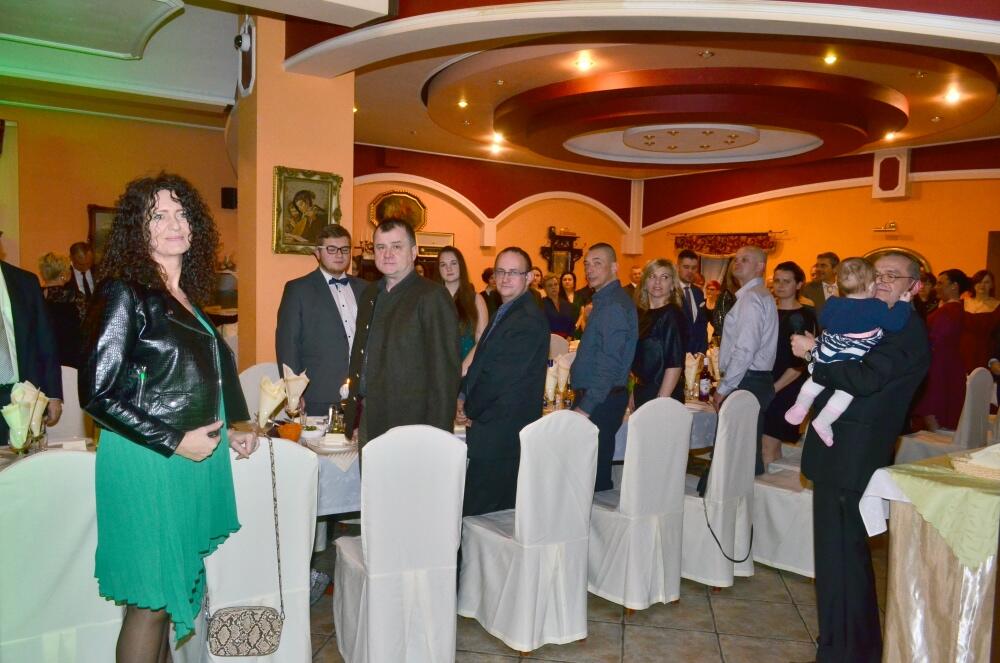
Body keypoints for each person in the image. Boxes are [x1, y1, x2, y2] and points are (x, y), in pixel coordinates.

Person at [79, 173, 258, 661]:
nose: (174, 224)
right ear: (137, 229)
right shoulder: (124, 291)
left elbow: (201, 371)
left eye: (182, 214)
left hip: (183, 461)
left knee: (164, 596)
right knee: (151, 604)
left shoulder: (184, 294)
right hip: (149, 460)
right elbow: (96, 394)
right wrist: (175, 441)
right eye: (158, 215)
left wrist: (233, 425)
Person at [791, 250, 929, 663]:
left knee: (842, 562)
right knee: (839, 561)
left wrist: (814, 355)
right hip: (842, 453)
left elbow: (865, 379)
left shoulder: (906, 330)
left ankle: (846, 653)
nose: (883, 280)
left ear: (914, 286)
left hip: (852, 454)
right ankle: (849, 647)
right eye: (878, 273)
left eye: (893, 275)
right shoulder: (876, 319)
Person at [344, 218, 460, 448]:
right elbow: (361, 356)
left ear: (413, 252)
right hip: (369, 417)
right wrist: (355, 416)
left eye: (397, 246)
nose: (387, 254)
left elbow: (444, 375)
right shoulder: (369, 294)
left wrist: (437, 437)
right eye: (381, 247)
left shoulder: (432, 296)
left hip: (413, 424)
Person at [457, 247, 549, 516]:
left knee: (481, 515)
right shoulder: (506, 310)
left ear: (528, 277)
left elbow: (498, 378)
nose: (505, 278)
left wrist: (469, 408)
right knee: (491, 514)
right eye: (500, 271)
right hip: (494, 427)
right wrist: (462, 394)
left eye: (514, 272)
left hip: (503, 431)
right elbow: (482, 360)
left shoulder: (527, 319)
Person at [785, 258, 911, 446]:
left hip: (829, 348)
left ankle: (800, 406)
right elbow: (895, 323)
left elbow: (824, 321)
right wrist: (903, 304)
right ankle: (823, 421)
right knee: (844, 392)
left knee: (815, 379)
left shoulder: (833, 302)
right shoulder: (875, 306)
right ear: (871, 286)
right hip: (850, 355)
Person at [277, 224, 366, 416]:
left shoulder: (366, 289)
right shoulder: (298, 290)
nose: (339, 255)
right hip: (318, 394)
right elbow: (288, 344)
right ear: (317, 253)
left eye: (344, 249)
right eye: (331, 249)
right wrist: (293, 391)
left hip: (363, 395)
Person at [570, 243, 638, 492]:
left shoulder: (613, 306)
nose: (590, 269)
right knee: (588, 473)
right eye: (587, 264)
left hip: (600, 400)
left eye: (597, 263)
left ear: (614, 267)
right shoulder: (604, 301)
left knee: (592, 479)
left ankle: (597, 516)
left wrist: (585, 407)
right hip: (601, 397)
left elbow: (609, 363)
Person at [712, 245, 778, 476]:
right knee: (746, 450)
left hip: (746, 380)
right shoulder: (759, 295)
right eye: (736, 259)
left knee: (734, 452)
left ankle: (731, 496)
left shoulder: (751, 298)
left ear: (760, 266)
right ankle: (742, 495)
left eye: (745, 259)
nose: (737, 263)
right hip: (754, 379)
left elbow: (745, 349)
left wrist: (724, 387)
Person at [0, 250, 63, 444]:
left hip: (23, 396)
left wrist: (54, 394)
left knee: (26, 461)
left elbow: (45, 340)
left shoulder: (25, 282)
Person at [761, 262, 816, 467]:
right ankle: (766, 481)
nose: (780, 285)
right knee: (765, 444)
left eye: (787, 281)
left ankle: (763, 484)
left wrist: (774, 388)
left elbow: (801, 363)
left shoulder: (804, 316)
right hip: (765, 380)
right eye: (777, 280)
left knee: (768, 444)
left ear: (799, 284)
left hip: (787, 384)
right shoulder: (767, 311)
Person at [912, 269, 972, 430]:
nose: (936, 287)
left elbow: (936, 340)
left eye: (940, 283)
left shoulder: (949, 311)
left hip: (939, 364)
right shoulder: (954, 309)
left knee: (933, 407)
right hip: (948, 362)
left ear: (954, 286)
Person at [630, 259, 688, 408]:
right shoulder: (642, 314)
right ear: (645, 282)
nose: (657, 282)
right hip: (642, 391)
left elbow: (674, 364)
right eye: (652, 276)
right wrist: (633, 393)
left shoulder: (672, 315)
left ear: (672, 284)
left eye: (664, 277)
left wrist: (660, 404)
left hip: (663, 395)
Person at [437, 246, 488, 373]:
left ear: (461, 266)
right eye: (443, 265)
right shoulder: (431, 300)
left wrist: (462, 369)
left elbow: (482, 341)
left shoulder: (476, 299)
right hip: (437, 371)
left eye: (453, 263)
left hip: (466, 370)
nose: (449, 268)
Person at [39, 252, 85, 369]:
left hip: (43, 353)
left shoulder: (35, 294)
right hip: (70, 354)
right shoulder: (75, 297)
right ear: (63, 274)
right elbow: (86, 324)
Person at [959, 269, 1000, 375]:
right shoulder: (961, 303)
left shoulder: (998, 306)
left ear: (992, 285)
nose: (982, 285)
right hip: (961, 351)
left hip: (986, 352)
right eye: (979, 281)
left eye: (986, 282)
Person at [676, 249, 708, 353]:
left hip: (697, 354)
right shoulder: (670, 291)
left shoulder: (698, 292)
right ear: (677, 267)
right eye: (686, 267)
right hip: (676, 353)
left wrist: (702, 352)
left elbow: (702, 324)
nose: (690, 271)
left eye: (694, 268)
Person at [800, 251, 840, 319]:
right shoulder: (807, 289)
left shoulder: (846, 288)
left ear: (835, 269)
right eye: (817, 266)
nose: (818, 269)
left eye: (823, 266)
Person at [541, 272, 576, 338]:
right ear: (545, 288)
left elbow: (572, 325)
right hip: (548, 339)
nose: (553, 287)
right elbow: (540, 326)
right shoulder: (541, 304)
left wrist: (568, 339)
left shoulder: (567, 304)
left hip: (566, 340)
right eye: (550, 285)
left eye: (556, 284)